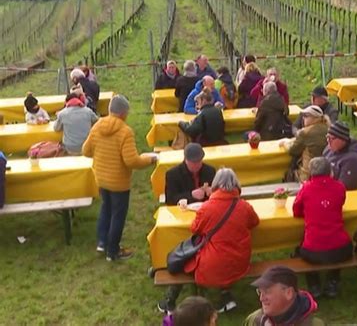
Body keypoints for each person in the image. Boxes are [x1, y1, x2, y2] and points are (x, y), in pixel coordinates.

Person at [159, 168, 259, 314]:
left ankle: (170, 300)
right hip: (239, 264)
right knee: (218, 259)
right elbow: (254, 222)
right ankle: (225, 295)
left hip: (213, 266)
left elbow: (195, 228)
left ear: (216, 184)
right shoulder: (245, 206)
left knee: (183, 261)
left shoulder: (207, 208)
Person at [82, 95, 157, 261]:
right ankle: (113, 251)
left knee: (105, 209)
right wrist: (150, 159)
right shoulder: (125, 132)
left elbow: (86, 150)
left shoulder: (97, 126)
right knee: (117, 215)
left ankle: (102, 243)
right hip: (118, 181)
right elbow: (131, 161)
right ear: (124, 113)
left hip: (101, 177)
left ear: (109, 110)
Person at [293, 157, 353, 299]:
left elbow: (296, 211)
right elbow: (341, 202)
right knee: (343, 244)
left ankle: (314, 284)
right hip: (340, 250)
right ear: (330, 171)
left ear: (310, 172)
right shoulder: (339, 187)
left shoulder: (306, 189)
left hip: (313, 252)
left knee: (302, 246)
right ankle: (332, 280)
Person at [244, 266, 322, 326]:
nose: (261, 298)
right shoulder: (253, 320)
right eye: (260, 292)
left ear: (288, 293)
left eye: (267, 292)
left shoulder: (313, 324)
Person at [280, 106, 330, 182]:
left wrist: (285, 143)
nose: (303, 118)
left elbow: (293, 150)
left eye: (306, 116)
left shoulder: (305, 133)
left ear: (315, 118)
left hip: (308, 175)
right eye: (303, 116)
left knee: (288, 173)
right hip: (326, 172)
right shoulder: (327, 129)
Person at [323, 121, 357, 190]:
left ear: (343, 140)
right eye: (327, 137)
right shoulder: (328, 149)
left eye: (332, 138)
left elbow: (344, 188)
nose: (328, 141)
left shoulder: (352, 160)